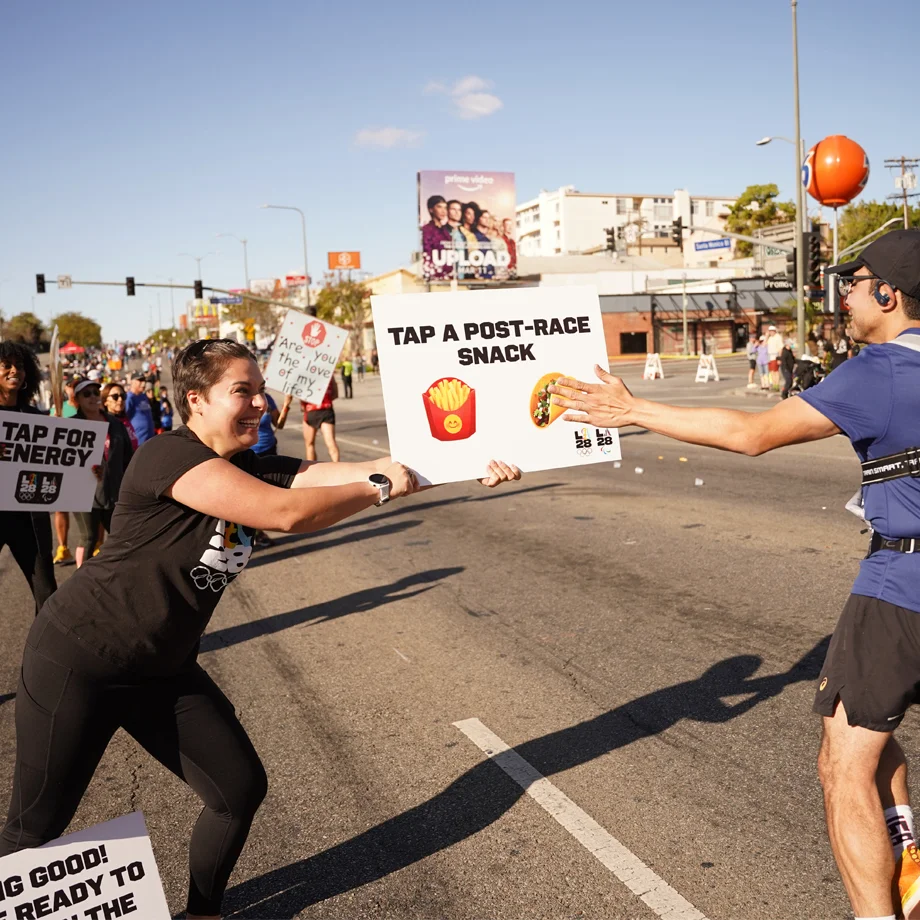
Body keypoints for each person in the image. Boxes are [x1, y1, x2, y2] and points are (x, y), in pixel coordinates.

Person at [0, 338, 519, 920]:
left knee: (237, 790)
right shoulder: (167, 457)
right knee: (35, 828)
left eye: (260, 390)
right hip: (81, 658)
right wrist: (379, 489)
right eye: (241, 391)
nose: (259, 403)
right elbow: (287, 514)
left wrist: (466, 466)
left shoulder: (250, 464)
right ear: (195, 400)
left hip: (161, 670)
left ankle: (202, 914)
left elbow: (350, 472)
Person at [546, 229, 920, 920]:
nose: (845, 292)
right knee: (875, 725)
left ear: (890, 294)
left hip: (901, 588)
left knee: (845, 761)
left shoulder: (880, 370)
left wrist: (633, 410)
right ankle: (912, 869)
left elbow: (751, 435)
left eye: (856, 281)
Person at [0, 342, 57, 615]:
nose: (15, 371)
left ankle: (40, 657)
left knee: (47, 596)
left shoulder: (36, 418)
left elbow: (60, 468)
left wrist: (90, 472)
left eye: (20, 366)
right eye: (6, 365)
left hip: (29, 519)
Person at [71, 378, 134, 567]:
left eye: (95, 392)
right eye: (86, 394)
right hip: (83, 493)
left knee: (120, 538)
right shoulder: (71, 425)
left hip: (113, 491)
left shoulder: (115, 423)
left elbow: (127, 458)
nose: (92, 397)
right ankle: (80, 584)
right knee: (89, 537)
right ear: (77, 399)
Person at [301, 377, 339, 463]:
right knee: (331, 443)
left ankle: (312, 470)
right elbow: (335, 394)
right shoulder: (327, 373)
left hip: (310, 410)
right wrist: (325, 400)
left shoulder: (305, 374)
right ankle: (337, 468)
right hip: (326, 409)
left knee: (309, 445)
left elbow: (301, 398)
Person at [421, 194, 452, 280]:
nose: (443, 211)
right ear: (431, 209)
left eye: (445, 208)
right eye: (439, 207)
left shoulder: (446, 231)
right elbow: (427, 253)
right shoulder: (426, 230)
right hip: (434, 276)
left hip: (449, 275)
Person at [102, 382, 139, 451]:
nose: (120, 399)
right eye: (115, 397)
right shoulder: (103, 423)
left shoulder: (125, 419)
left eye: (123, 396)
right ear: (105, 401)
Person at [126, 372, 155, 444]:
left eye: (144, 381)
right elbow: (124, 419)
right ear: (132, 382)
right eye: (140, 381)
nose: (143, 383)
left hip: (150, 439)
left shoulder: (144, 396)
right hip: (138, 441)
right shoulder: (129, 398)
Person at [766, 324, 784, 389]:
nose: (770, 332)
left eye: (771, 331)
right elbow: (765, 344)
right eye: (769, 331)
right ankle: (774, 384)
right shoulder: (770, 338)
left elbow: (780, 348)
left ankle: (776, 385)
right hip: (769, 356)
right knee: (772, 372)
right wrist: (766, 336)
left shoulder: (778, 337)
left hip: (775, 356)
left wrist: (779, 358)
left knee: (776, 371)